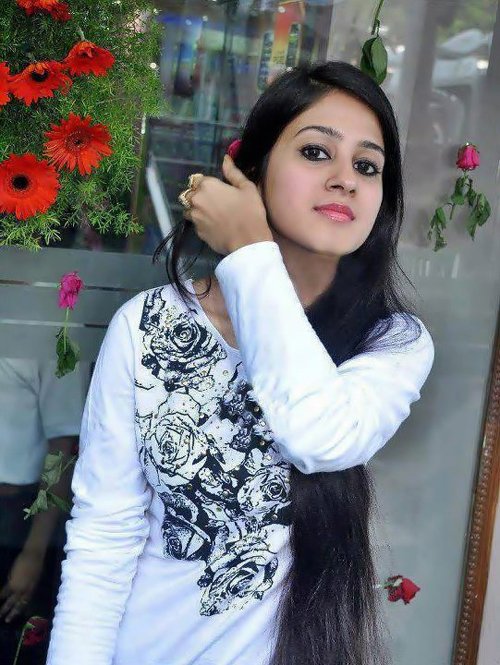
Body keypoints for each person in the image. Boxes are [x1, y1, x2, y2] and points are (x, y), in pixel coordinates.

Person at [46, 61, 435, 665]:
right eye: (315, 152)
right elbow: (104, 538)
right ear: (250, 173)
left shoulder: (391, 342)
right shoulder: (148, 325)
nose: (345, 180)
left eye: (367, 166)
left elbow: (317, 435)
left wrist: (250, 250)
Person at [0, 358, 86, 664]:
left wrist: (34, 551)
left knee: (13, 641)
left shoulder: (54, 342)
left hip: (18, 523)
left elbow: (63, 448)